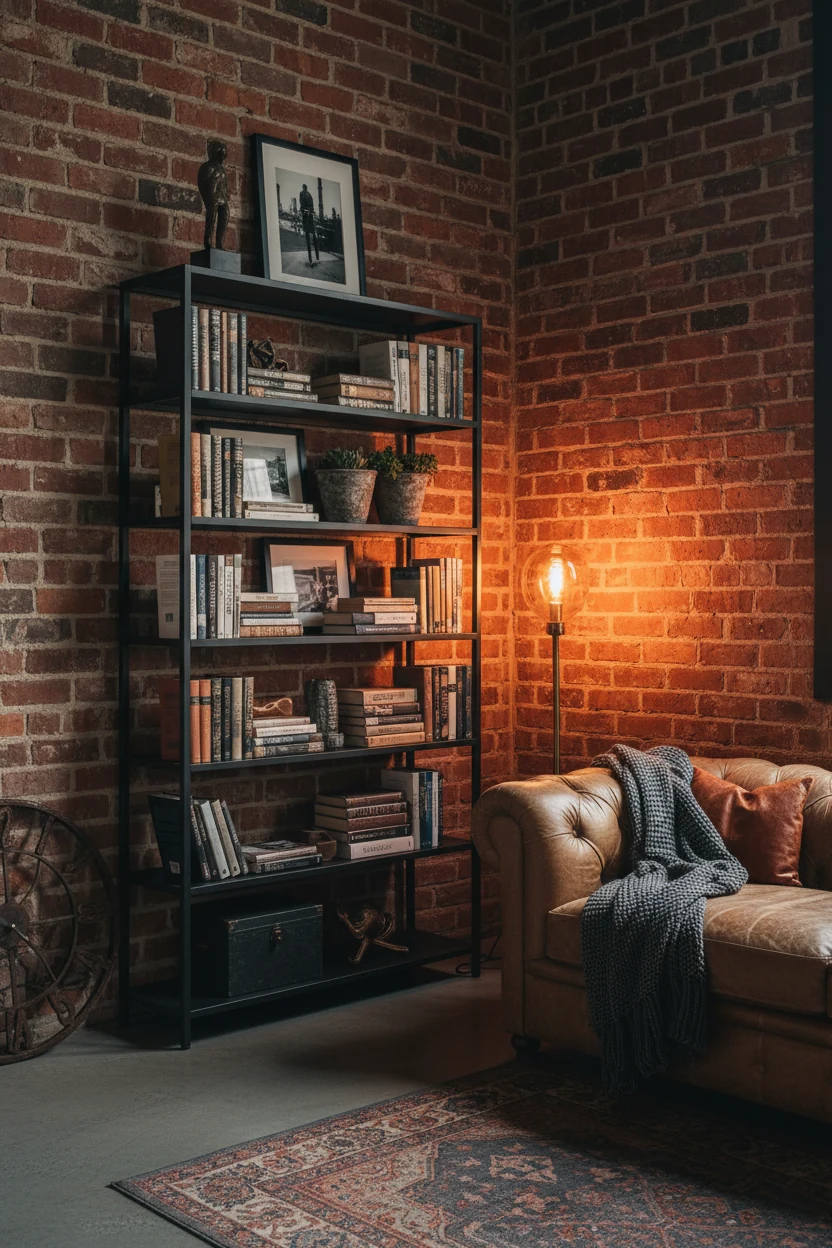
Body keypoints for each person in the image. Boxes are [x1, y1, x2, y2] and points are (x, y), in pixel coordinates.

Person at [299, 183, 319, 266]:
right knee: (314, 237)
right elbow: (312, 205)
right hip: (310, 217)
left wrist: (303, 210)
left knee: (307, 237)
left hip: (306, 217)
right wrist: (311, 211)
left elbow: (301, 203)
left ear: (303, 187)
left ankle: (310, 259)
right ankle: (317, 257)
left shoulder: (302, 193)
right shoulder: (309, 194)